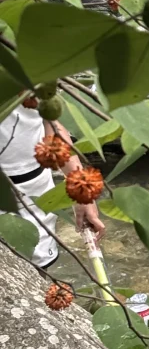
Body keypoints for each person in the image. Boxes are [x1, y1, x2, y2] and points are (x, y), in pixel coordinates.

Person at [0, 102, 104, 268]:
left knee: (36, 273)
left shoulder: (37, 78)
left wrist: (81, 192)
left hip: (37, 192)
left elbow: (51, 123)